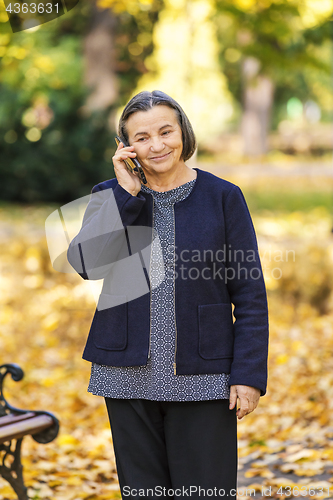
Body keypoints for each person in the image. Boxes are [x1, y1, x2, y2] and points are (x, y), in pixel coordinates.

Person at [67, 90, 269, 499]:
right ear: (125, 147)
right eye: (141, 137)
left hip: (205, 376)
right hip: (127, 377)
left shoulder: (223, 197)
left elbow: (249, 293)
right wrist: (127, 196)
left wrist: (248, 375)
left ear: (183, 134)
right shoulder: (111, 195)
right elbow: (88, 264)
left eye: (165, 131)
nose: (156, 145)